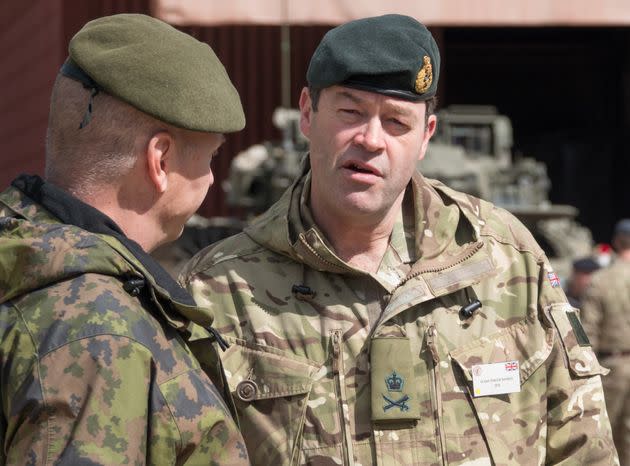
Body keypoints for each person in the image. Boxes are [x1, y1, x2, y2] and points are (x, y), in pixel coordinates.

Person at [181, 14, 617, 465]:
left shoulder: (505, 257)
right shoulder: (218, 291)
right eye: (350, 112)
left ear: (426, 136)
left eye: (396, 122)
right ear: (308, 112)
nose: (371, 140)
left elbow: (582, 446)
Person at [0, 14, 250, 465]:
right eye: (211, 157)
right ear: (161, 159)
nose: (213, 179)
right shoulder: (98, 332)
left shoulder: (26, 259)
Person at [581, 218, 630, 465]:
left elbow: (587, 332)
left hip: (613, 366)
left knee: (604, 437)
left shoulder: (601, 280)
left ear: (616, 242)